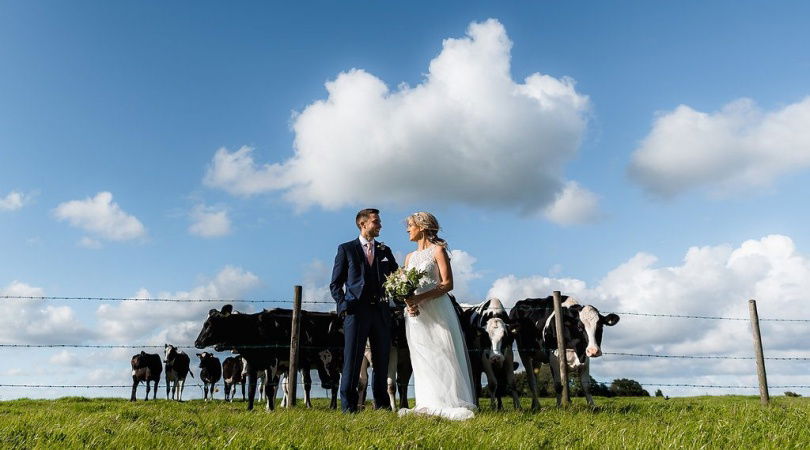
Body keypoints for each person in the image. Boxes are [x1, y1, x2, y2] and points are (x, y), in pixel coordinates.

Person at [397, 212, 477, 421]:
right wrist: (409, 303)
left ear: (422, 227)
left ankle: (449, 401)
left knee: (443, 352)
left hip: (438, 309)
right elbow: (406, 288)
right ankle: (427, 401)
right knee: (422, 354)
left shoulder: (438, 250)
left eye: (410, 226)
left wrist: (422, 298)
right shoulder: (409, 257)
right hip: (416, 313)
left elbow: (447, 283)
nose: (408, 230)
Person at [330, 208, 398, 412]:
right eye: (376, 222)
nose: (380, 225)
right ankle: (349, 408)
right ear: (363, 224)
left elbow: (395, 277)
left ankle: (382, 406)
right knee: (352, 360)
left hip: (381, 312)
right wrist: (344, 306)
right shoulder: (346, 249)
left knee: (382, 360)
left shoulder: (385, 250)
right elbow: (335, 284)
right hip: (355, 313)